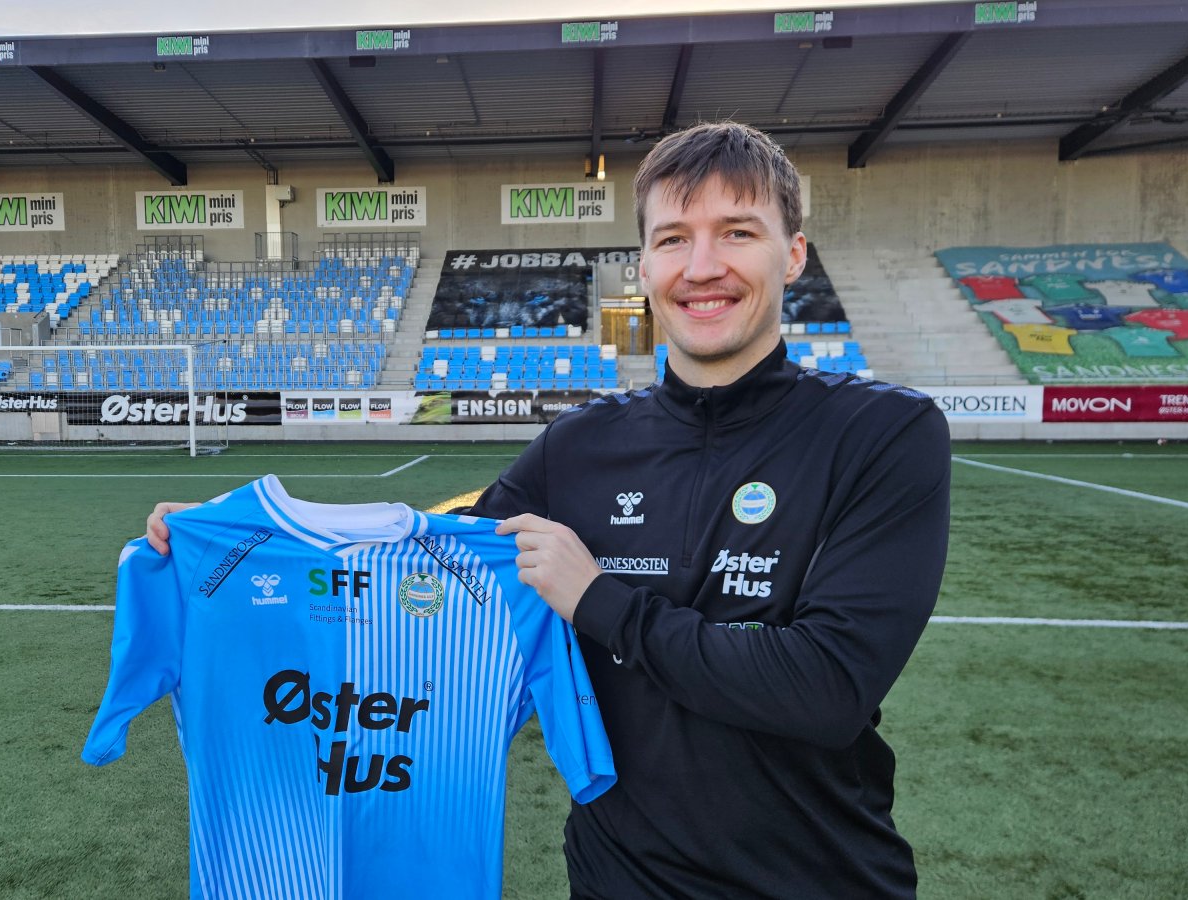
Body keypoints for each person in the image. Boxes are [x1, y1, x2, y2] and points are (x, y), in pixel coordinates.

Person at [147, 121, 950, 898]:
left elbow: (825, 688)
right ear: (644, 265)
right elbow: (426, 558)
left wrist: (599, 601)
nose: (703, 266)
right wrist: (240, 545)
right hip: (618, 881)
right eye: (674, 239)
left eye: (737, 233)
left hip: (820, 877)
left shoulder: (883, 433)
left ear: (794, 253)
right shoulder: (581, 445)